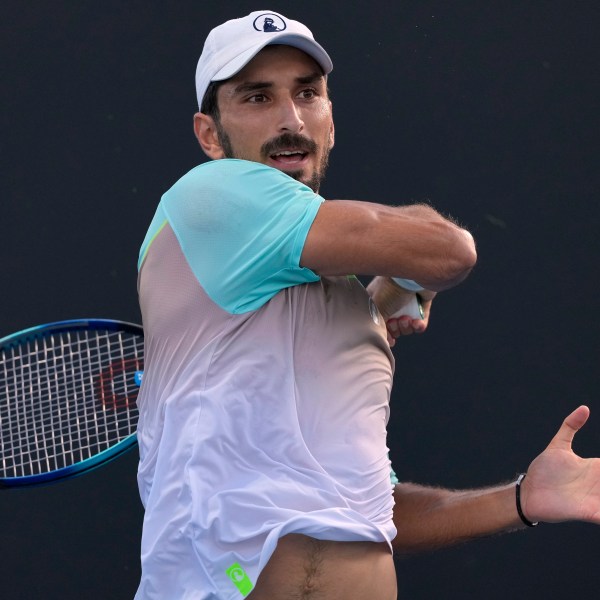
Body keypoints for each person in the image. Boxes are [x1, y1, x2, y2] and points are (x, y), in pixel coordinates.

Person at [134, 10, 600, 600]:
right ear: (209, 134)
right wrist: (403, 276)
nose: (290, 119)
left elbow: (367, 510)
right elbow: (450, 250)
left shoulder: (349, 311)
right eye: (257, 97)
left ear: (331, 121)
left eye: (309, 94)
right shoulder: (211, 195)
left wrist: (522, 500)